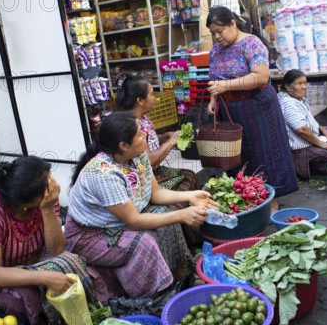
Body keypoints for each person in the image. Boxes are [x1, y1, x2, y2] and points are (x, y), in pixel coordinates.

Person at [64, 112, 216, 303]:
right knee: (143, 242)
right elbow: (134, 221)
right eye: (139, 133)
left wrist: (190, 196)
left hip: (118, 221)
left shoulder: (138, 155)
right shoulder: (104, 175)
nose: (145, 134)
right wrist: (182, 215)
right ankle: (156, 299)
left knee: (166, 215)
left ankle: (179, 278)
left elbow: (156, 193)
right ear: (123, 146)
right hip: (89, 236)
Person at [0, 156, 95, 325]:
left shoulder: (46, 200)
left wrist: (48, 210)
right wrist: (45, 277)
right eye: (49, 181)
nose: (53, 184)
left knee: (71, 262)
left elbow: (57, 249)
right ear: (27, 204)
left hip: (34, 261)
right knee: (23, 298)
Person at [206, 6, 299, 209]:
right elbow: (215, 78)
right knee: (238, 158)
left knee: (263, 154)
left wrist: (226, 86)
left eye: (219, 31)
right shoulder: (215, 52)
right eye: (212, 33)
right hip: (230, 110)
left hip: (257, 107)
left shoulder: (252, 44)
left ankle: (271, 202)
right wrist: (213, 100)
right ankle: (248, 201)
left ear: (232, 23)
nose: (216, 36)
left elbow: (260, 77)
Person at [115, 73, 199, 192]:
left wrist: (165, 137)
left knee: (190, 175)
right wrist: (170, 142)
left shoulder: (143, 118)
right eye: (151, 94)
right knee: (185, 182)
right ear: (140, 100)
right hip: (141, 179)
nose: (155, 98)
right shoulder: (132, 125)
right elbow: (149, 159)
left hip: (152, 172)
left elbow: (149, 140)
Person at [278, 69, 327, 179]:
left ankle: (318, 164)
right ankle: (307, 165)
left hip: (309, 139)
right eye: (299, 84)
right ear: (287, 86)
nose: (304, 87)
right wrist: (322, 144)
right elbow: (301, 130)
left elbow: (308, 119)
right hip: (301, 149)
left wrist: (321, 128)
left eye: (305, 83)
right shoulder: (288, 103)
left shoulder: (297, 98)